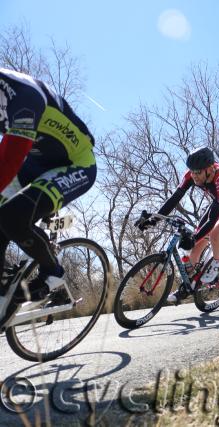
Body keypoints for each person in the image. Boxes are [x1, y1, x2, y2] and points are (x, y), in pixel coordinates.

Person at [0, 68, 97, 305]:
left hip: (76, 163)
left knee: (12, 217)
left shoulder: (23, 94)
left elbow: (10, 158)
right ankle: (5, 290)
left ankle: (53, 272)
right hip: (36, 163)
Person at [136, 147, 219, 304]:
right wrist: (153, 220)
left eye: (198, 173)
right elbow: (175, 198)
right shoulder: (191, 174)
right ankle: (186, 288)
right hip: (217, 204)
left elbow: (213, 219)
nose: (194, 176)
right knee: (194, 249)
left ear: (209, 169)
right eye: (192, 172)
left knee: (215, 235)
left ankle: (216, 266)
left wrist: (194, 237)